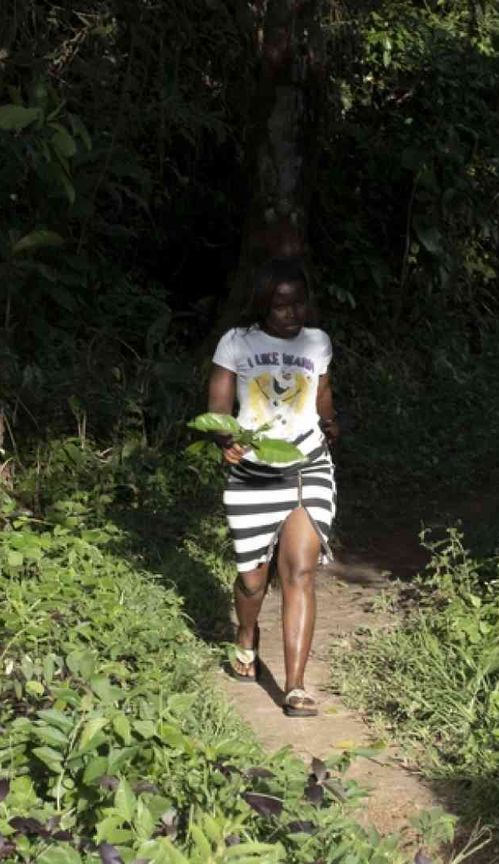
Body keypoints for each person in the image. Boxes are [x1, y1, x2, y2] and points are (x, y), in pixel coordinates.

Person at [206, 257, 339, 717]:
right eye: (282, 305)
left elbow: (321, 389)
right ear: (264, 304)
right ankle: (246, 634)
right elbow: (220, 403)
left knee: (299, 570)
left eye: (299, 303)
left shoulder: (318, 342)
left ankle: (296, 686)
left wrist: (330, 420)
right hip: (252, 477)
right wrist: (226, 439)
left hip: (308, 468)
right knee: (252, 578)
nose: (292, 313)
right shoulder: (237, 342)